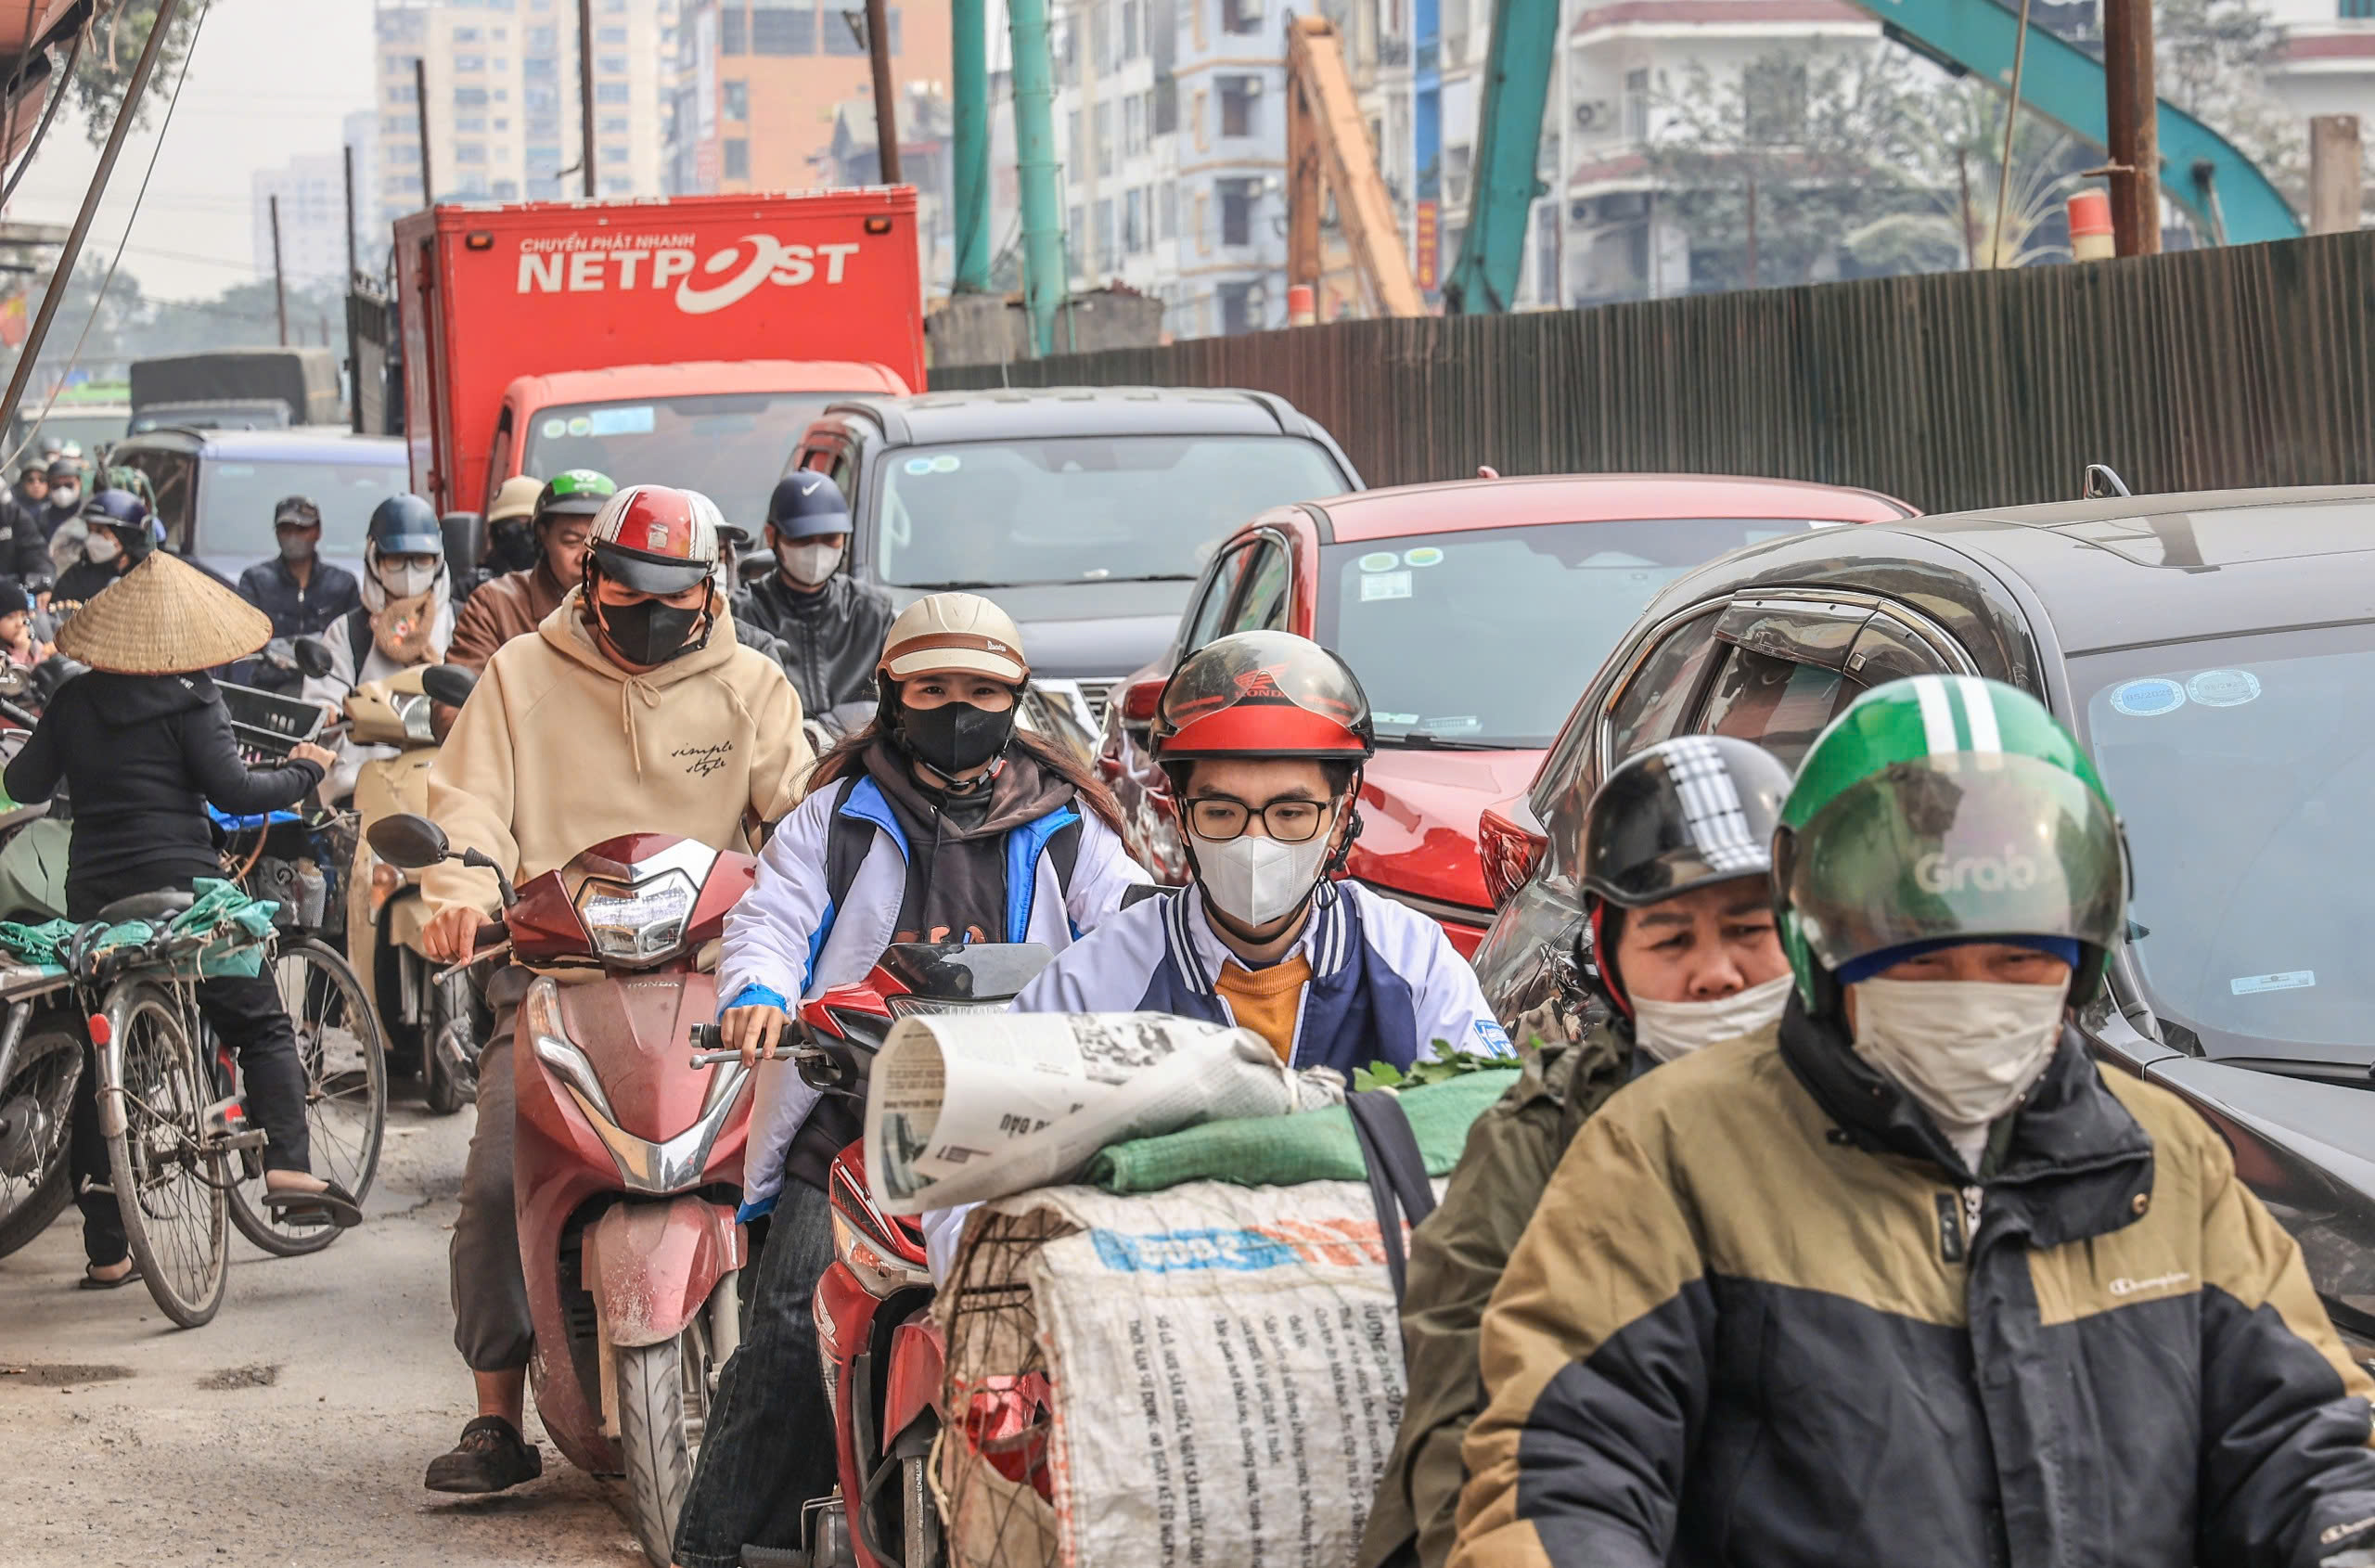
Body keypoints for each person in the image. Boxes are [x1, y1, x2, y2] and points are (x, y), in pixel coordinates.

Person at [1451, 676, 2375, 1568]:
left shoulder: (2160, 1158)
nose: (1973, 998)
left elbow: (2307, 1438)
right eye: (1924, 965)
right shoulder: (1662, 1153)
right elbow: (1563, 1475)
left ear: (2079, 967)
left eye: (2017, 961)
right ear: (1824, 951)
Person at [675, 590, 1151, 1568]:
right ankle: (725, 1550)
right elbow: (770, 918)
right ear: (891, 693)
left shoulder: (1070, 825)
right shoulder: (832, 816)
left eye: (981, 688)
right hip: (854, 1117)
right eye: (933, 686)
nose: (957, 706)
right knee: (784, 1323)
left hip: (1028, 1116)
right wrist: (762, 990)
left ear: (1016, 699)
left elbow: (1130, 931)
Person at [416, 483, 811, 1496]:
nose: (652, 612)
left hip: (718, 983)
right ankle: (496, 1411)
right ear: (588, 578)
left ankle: (812, 1388)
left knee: (809, 1164)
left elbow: (801, 820)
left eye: (675, 596)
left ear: (711, 592)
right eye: (630, 589)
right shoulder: (520, 677)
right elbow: (468, 808)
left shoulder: (752, 687)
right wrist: (459, 889)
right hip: (556, 970)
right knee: (502, 1178)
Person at [1360, 736, 1794, 1568]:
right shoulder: (1541, 1146)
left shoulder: (1859, 1117)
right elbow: (1469, 1431)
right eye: (1670, 941)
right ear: (1610, 960)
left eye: (1748, 930)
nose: (1715, 973)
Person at [1, 551, 360, 1287]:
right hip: (184, 896)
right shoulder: (193, 700)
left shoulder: (71, 701)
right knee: (259, 1023)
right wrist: (305, 769)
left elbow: (21, 782)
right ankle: (288, 1169)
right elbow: (235, 785)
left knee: (109, 1071)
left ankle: (107, 1251)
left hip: (96, 905)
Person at [302, 495, 456, 801]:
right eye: (396, 560)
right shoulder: (348, 632)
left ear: (438, 560)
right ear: (374, 558)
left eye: (421, 559)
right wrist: (331, 713)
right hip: (361, 783)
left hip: (447, 780)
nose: (410, 571)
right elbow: (319, 707)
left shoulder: (462, 622)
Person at [730, 471, 894, 717]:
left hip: (858, 754)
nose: (818, 549)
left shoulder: (871, 611)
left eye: (830, 539)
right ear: (772, 536)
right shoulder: (742, 616)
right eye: (803, 539)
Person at [444, 469, 610, 675]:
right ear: (543, 536)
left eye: (601, 545)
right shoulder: (495, 606)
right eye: (571, 542)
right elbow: (459, 699)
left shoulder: (641, 603)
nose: (586, 559)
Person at [237, 495, 362, 645]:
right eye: (286, 530)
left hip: (330, 667)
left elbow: (356, 644)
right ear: (276, 533)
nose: (293, 538)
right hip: (269, 667)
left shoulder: (343, 585)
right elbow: (243, 643)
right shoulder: (255, 582)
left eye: (301, 530)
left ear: (318, 532)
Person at [51, 490, 156, 609]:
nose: (92, 539)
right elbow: (58, 612)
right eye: (90, 531)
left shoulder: (152, 573)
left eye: (100, 531)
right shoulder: (77, 576)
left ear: (126, 535)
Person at [0, 581, 51, 668]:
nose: (20, 623)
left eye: (23, 615)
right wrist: (19, 654)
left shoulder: (31, 639)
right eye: (10, 617)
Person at [36, 456, 82, 539]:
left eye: (68, 485)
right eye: (56, 486)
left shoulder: (88, 513)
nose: (62, 490)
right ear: (48, 487)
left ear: (79, 483)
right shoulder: (41, 517)